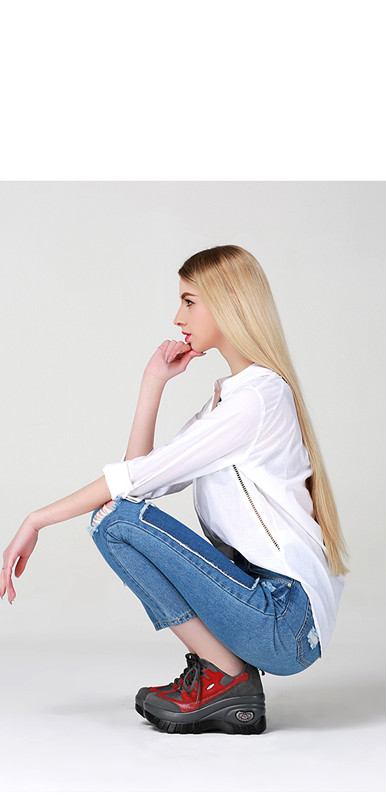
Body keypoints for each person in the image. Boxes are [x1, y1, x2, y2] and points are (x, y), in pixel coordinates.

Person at [1, 244, 349, 735]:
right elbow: (140, 479)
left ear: (229, 302)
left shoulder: (256, 400)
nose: (177, 317)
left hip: (283, 618)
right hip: (271, 610)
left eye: (189, 301)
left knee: (114, 521)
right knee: (115, 517)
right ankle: (224, 674)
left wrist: (36, 519)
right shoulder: (232, 398)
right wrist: (153, 383)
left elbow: (131, 486)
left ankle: (226, 678)